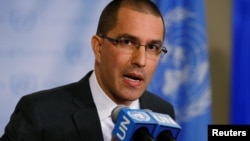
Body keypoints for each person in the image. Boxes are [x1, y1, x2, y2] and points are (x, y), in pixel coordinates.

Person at [0, 0, 175, 140]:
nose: (141, 60)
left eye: (153, 47)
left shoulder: (162, 112)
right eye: (127, 42)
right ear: (99, 47)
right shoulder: (40, 114)